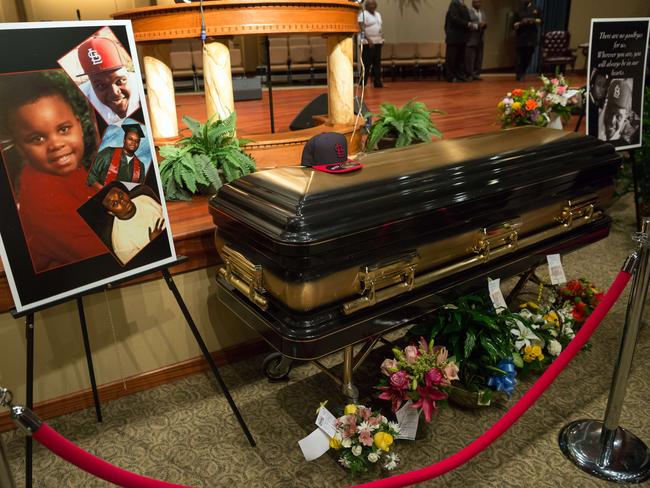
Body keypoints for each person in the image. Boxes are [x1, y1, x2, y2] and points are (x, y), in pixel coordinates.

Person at [0, 72, 107, 273]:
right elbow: (99, 252)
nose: (56, 144)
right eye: (37, 139)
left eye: (64, 129)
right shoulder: (42, 198)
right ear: (21, 149)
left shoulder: (70, 172)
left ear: (79, 126)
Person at [77, 36, 141, 125]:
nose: (114, 92)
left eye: (120, 81)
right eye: (101, 85)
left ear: (127, 72)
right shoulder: (81, 102)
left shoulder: (141, 85)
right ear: (91, 83)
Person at [99, 182, 165, 266]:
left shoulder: (143, 199)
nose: (122, 201)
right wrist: (153, 244)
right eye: (115, 203)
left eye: (121, 195)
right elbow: (140, 267)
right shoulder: (120, 243)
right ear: (111, 213)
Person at [87, 123, 146, 189]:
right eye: (130, 139)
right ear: (124, 140)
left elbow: (139, 189)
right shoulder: (108, 153)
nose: (133, 143)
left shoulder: (140, 166)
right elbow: (91, 177)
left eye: (137, 141)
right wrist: (105, 191)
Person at [598, 78, 639, 145]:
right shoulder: (596, 116)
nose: (611, 121)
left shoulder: (629, 140)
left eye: (618, 116)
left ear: (626, 118)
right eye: (609, 111)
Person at [444, 0, 474, 83]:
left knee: (460, 59)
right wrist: (467, 24)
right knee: (452, 59)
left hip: (462, 37)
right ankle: (451, 77)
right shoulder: (454, 3)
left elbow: (467, 18)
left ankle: (460, 76)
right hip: (454, 37)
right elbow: (454, 18)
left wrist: (470, 24)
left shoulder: (463, 5)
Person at [513, 0, 542, 82]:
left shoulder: (536, 9)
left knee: (528, 57)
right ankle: (519, 74)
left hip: (531, 37)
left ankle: (523, 72)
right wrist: (521, 22)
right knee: (519, 57)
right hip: (521, 37)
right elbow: (513, 24)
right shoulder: (519, 10)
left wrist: (533, 20)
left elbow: (541, 20)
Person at [358, 0, 385, 88]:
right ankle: (363, 83)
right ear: (366, 6)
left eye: (374, 4)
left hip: (378, 41)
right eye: (370, 4)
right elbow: (361, 28)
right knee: (366, 63)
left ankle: (377, 82)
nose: (372, 6)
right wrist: (368, 40)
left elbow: (379, 27)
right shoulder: (363, 14)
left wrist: (382, 38)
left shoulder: (378, 14)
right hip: (367, 43)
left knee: (377, 63)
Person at [465, 0, 487, 81]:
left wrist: (484, 25)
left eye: (479, 2)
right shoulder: (469, 12)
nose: (478, 3)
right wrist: (478, 25)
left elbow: (484, 23)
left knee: (479, 57)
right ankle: (470, 75)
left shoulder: (482, 12)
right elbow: (467, 24)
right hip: (471, 38)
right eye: (476, 2)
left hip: (481, 38)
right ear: (473, 3)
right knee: (470, 58)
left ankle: (476, 74)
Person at [587, 69, 609, 137]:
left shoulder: (602, 102)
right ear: (592, 85)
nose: (602, 89)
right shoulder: (588, 102)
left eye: (604, 86)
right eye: (599, 85)